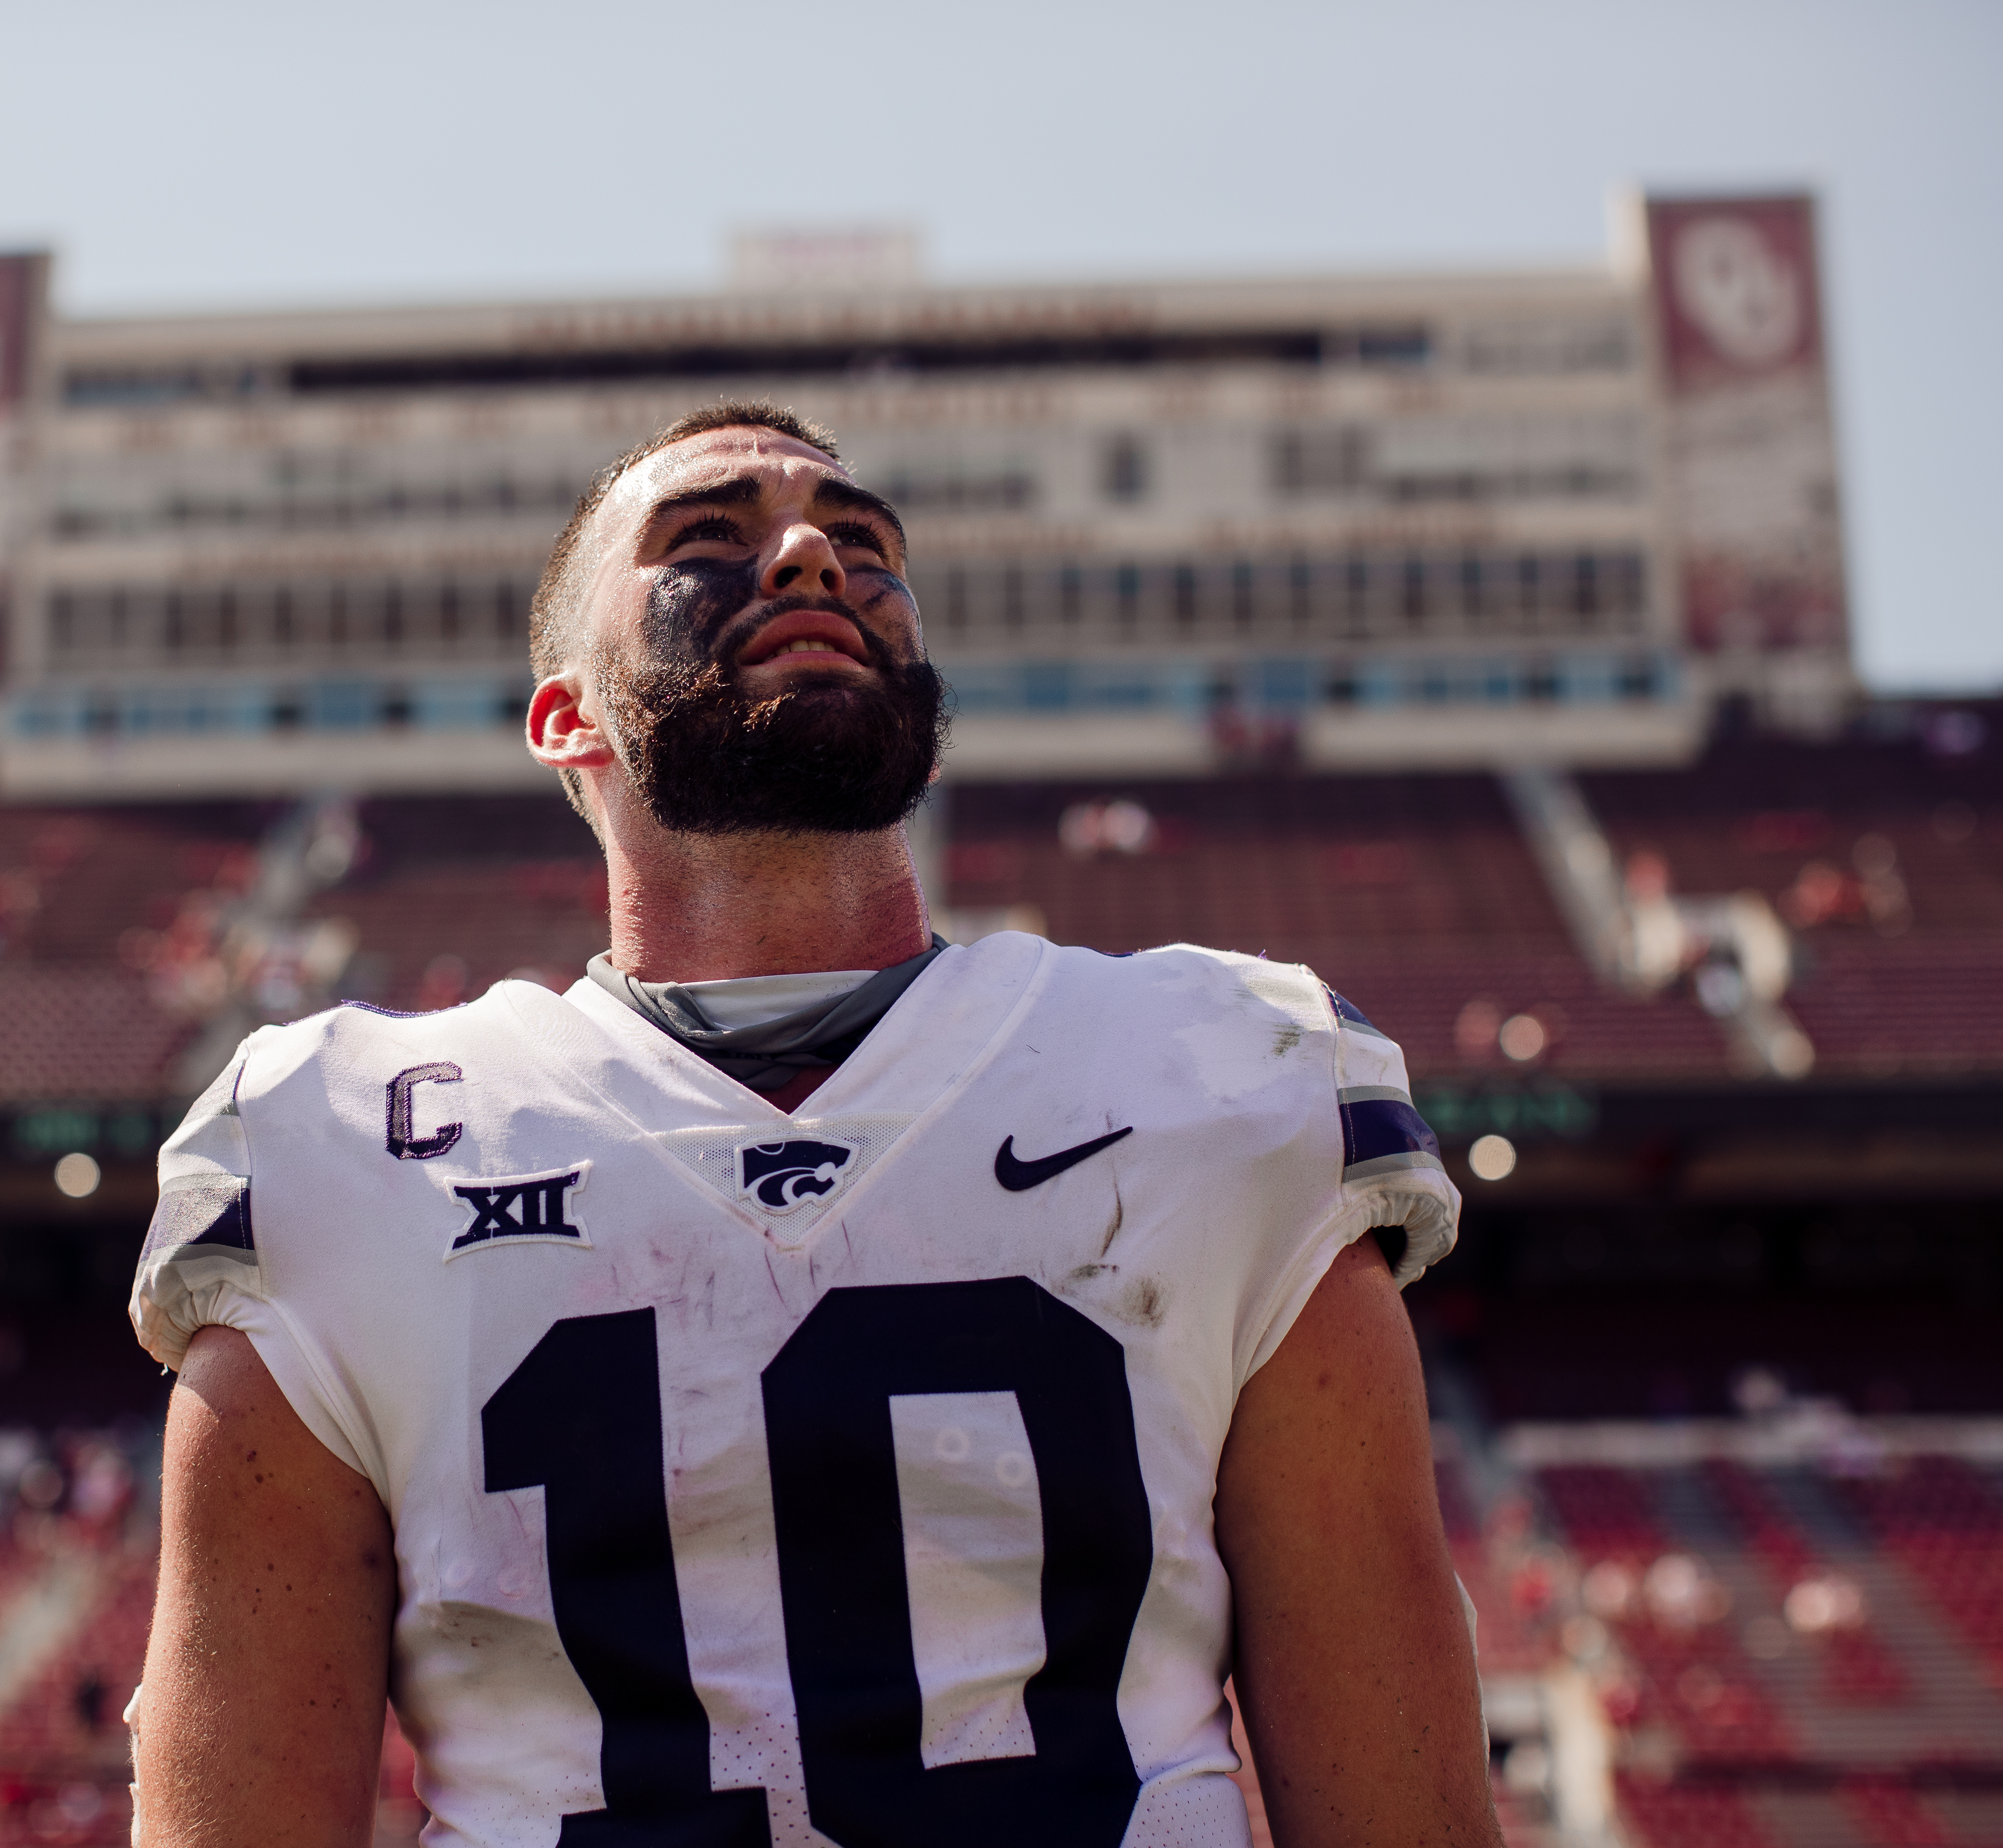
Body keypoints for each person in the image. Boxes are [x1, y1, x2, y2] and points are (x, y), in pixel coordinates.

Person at [128, 404, 1502, 1848]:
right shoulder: (342, 1146)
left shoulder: (1225, 1074)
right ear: (565, 716)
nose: (807, 556)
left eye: (859, 541)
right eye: (709, 538)